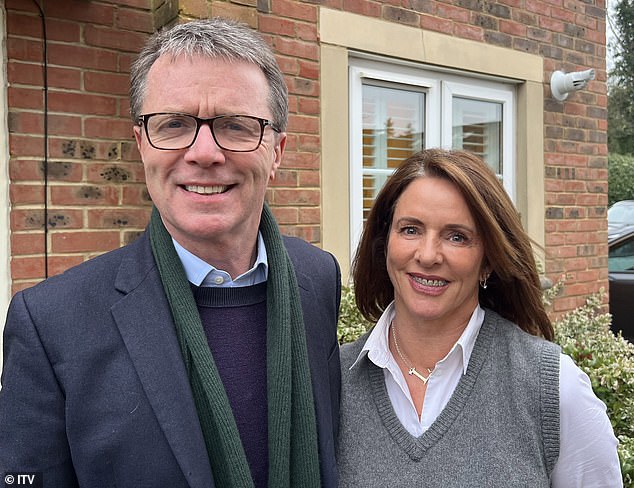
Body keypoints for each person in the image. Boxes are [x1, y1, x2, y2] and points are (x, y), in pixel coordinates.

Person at [0, 18, 341, 488]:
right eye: (174, 124)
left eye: (236, 125)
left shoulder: (317, 277)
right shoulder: (51, 323)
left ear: (277, 150)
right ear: (142, 145)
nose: (204, 152)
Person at [337, 149, 622, 487]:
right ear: (385, 244)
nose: (427, 255)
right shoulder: (333, 382)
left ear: (488, 260)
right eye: (410, 230)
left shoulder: (555, 389)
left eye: (456, 236)